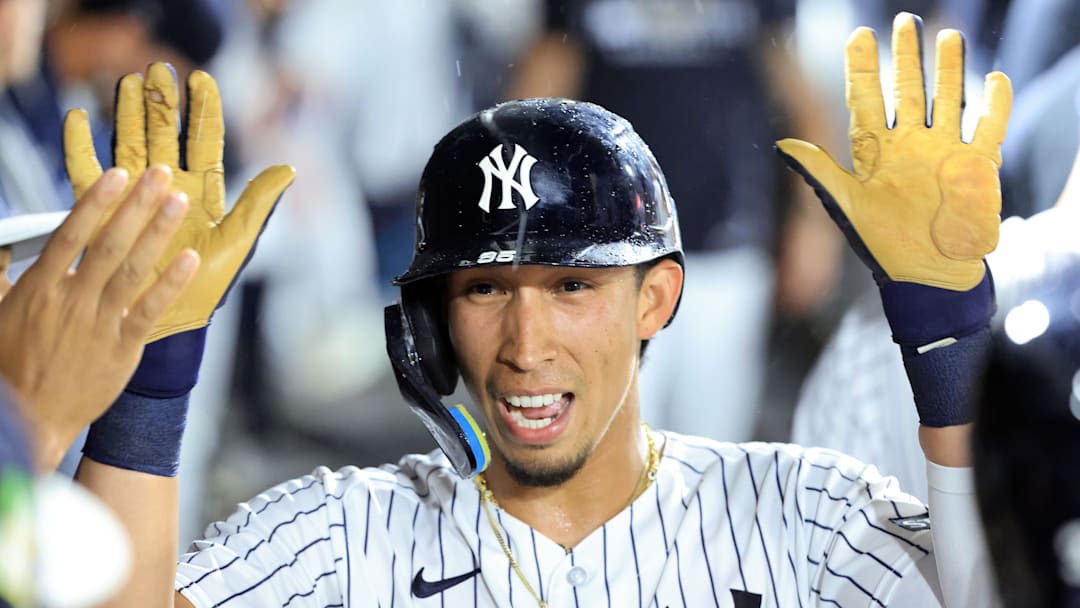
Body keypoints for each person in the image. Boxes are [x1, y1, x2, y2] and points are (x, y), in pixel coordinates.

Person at [69, 12, 1004, 606]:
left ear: (655, 297)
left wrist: (949, 340)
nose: (525, 344)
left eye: (572, 286)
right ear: (430, 324)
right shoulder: (336, 539)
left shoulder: (803, 515)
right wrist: (146, 384)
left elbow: (988, 597)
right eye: (483, 290)